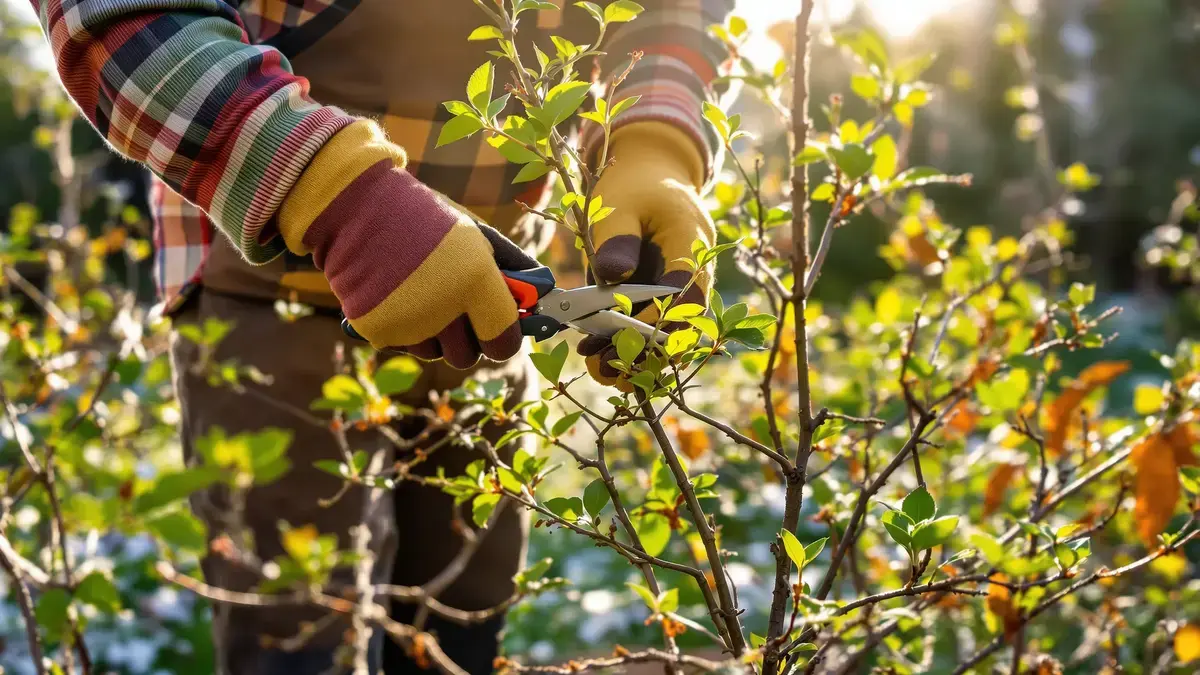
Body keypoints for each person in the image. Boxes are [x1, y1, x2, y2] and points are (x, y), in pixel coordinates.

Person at [28, 0, 732, 672]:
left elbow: (675, 15)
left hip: (493, 304)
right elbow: (112, 17)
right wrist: (333, 191)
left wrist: (654, 138)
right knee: (296, 641)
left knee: (462, 632)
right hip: (270, 307)